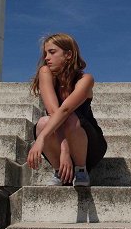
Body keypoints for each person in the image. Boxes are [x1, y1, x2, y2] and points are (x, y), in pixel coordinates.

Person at [27, 33, 107, 187]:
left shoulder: (86, 79)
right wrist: (63, 149)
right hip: (59, 138)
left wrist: (41, 139)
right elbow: (53, 112)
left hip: (88, 143)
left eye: (52, 52)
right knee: (44, 122)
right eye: (45, 53)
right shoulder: (45, 72)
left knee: (70, 118)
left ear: (68, 54)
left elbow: (65, 111)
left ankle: (81, 171)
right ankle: (60, 172)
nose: (47, 58)